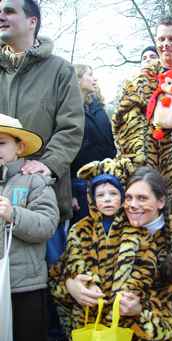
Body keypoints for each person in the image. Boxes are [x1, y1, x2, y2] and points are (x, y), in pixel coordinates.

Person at [49, 159, 172, 341]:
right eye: (128, 198)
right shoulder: (112, 228)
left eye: (142, 198)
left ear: (161, 201)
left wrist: (140, 312)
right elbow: (60, 274)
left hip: (150, 338)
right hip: (101, 338)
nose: (132, 205)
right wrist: (70, 286)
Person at [112, 15, 172, 218]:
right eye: (161, 39)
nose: (166, 44)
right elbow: (122, 120)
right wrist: (140, 159)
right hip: (146, 169)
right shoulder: (140, 79)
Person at [0, 0, 84, 224]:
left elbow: (72, 127)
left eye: (9, 11)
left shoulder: (61, 71)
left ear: (32, 21)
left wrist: (49, 164)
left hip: (43, 200)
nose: (1, 16)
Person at [0, 113, 59, 341]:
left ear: (20, 146)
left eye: (1, 143)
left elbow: (46, 224)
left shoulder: (34, 182)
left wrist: (13, 214)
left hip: (25, 287)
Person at [71, 64, 116, 224]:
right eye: (89, 74)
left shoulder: (98, 108)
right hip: (80, 185)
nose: (94, 78)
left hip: (106, 179)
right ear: (77, 79)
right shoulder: (68, 110)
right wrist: (70, 194)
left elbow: (110, 143)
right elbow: (65, 152)